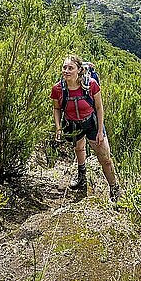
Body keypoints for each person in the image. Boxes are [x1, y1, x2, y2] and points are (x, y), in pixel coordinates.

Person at [51, 54, 120, 202]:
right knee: (78, 149)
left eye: (71, 68)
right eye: (64, 68)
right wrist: (58, 127)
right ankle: (82, 175)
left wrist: (100, 131)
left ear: (79, 70)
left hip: (92, 123)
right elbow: (57, 108)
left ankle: (114, 188)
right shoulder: (58, 89)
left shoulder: (91, 84)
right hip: (73, 124)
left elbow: (99, 108)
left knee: (105, 159)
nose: (66, 71)